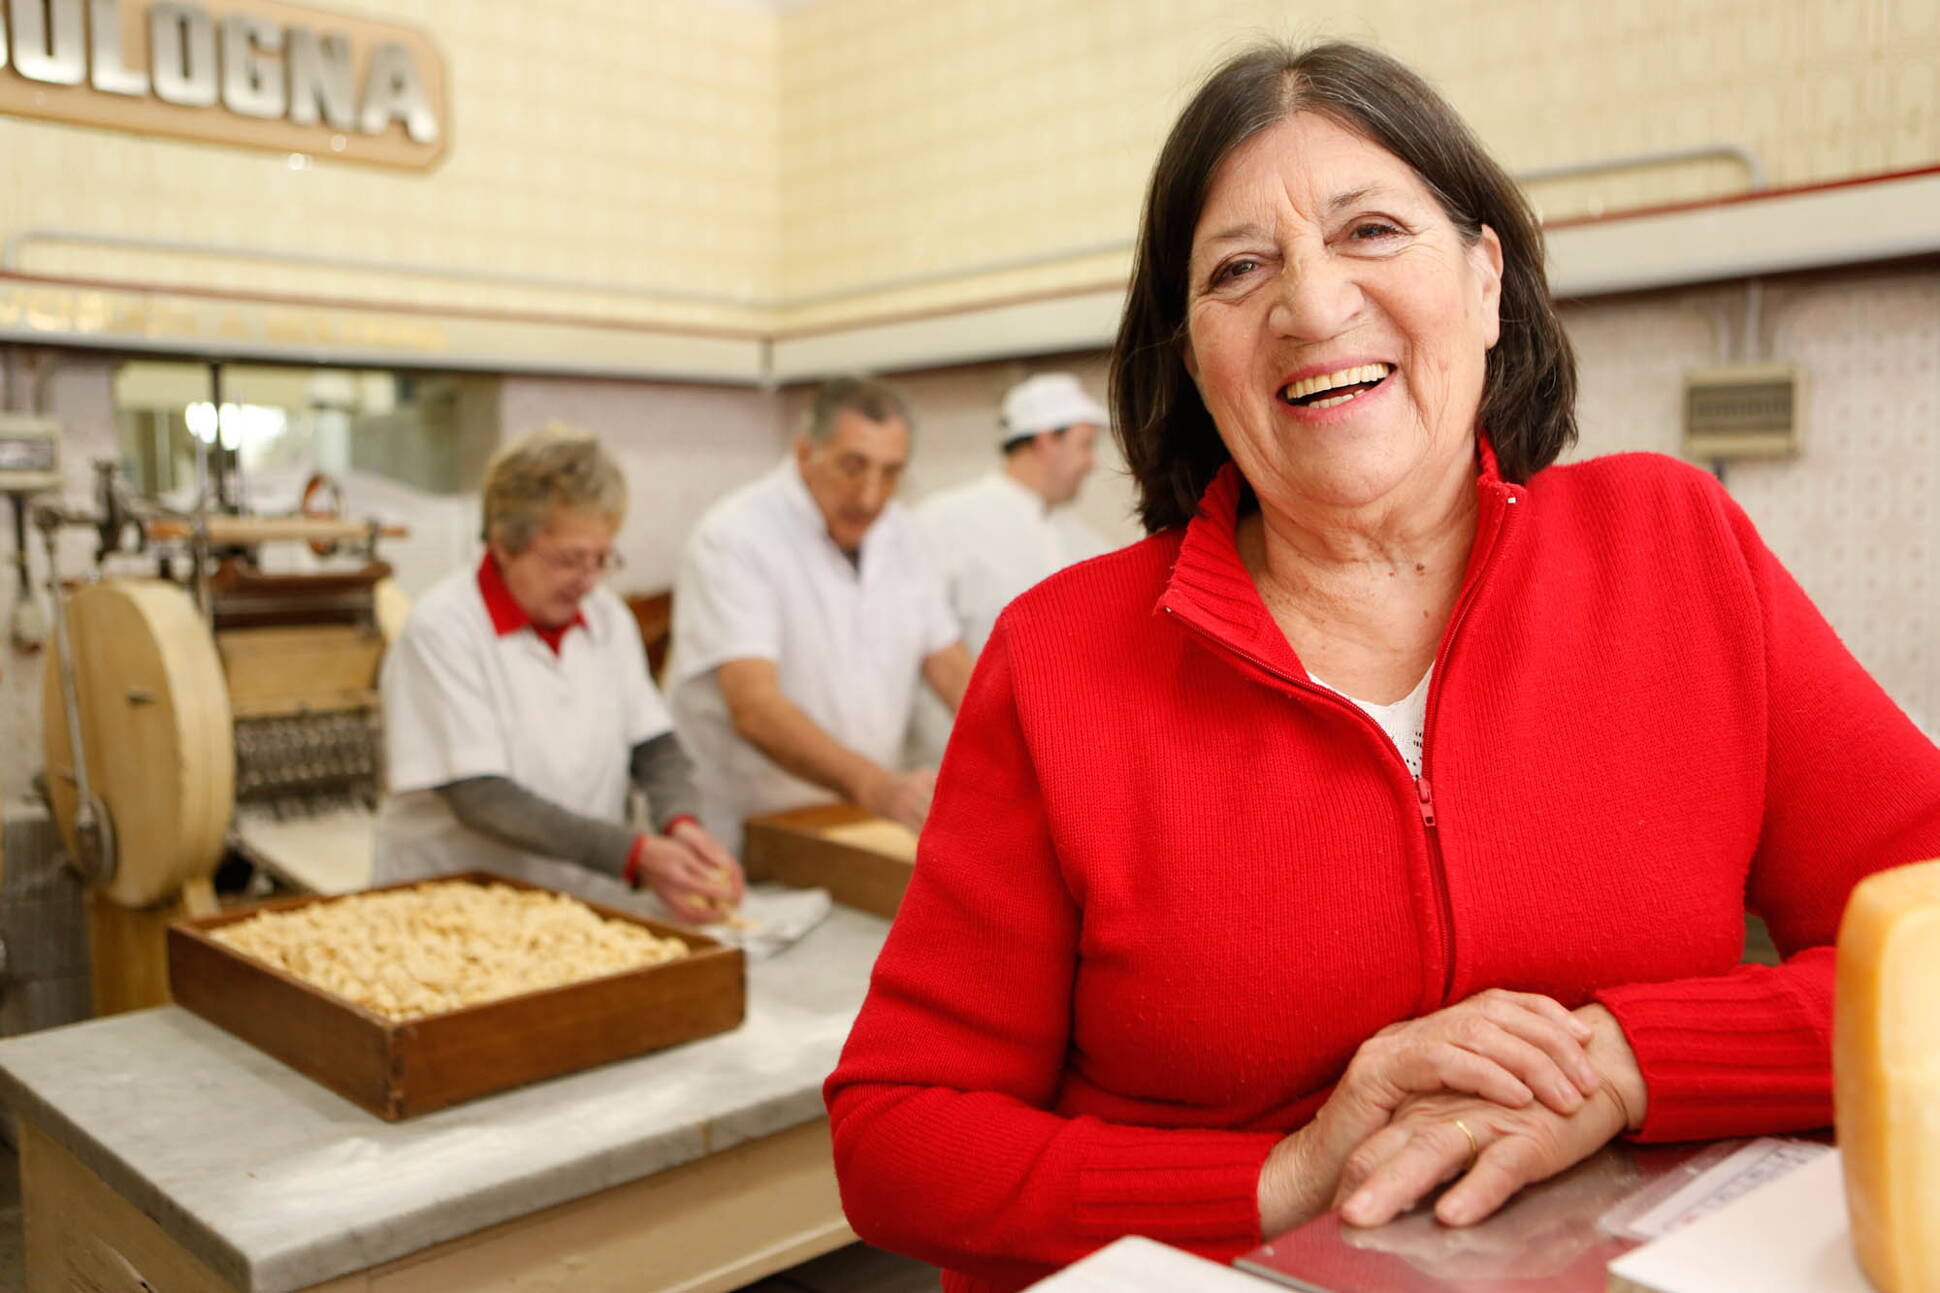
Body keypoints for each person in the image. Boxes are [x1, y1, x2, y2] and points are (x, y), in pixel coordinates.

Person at [823, 41, 1940, 1293]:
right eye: (1239, 269)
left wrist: (1620, 1059)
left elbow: (1931, 929)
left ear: (1483, 280)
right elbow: (896, 1137)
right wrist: (1283, 1175)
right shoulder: (1060, 660)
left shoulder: (1673, 550)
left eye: (1368, 231)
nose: (1310, 306)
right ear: (1193, 357)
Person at [375, 424, 744, 924]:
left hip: (576, 903)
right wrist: (635, 855)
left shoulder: (607, 617)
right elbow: (484, 800)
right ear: (505, 545)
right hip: (456, 906)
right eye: (569, 560)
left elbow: (654, 747)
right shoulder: (443, 630)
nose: (588, 580)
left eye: (601, 558)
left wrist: (680, 822)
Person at [668, 377, 972, 853]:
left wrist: (1041, 751)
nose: (871, 496)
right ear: (805, 453)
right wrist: (875, 786)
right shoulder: (735, 536)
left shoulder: (902, 534)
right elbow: (754, 707)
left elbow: (949, 665)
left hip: (853, 818)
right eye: (853, 467)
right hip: (751, 825)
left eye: (891, 473)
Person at [905, 373, 1114, 764]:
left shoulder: (1088, 545)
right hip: (954, 768)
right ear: (1046, 440)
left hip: (1059, 767)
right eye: (1085, 445)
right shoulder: (941, 523)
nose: (1091, 462)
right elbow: (923, 646)